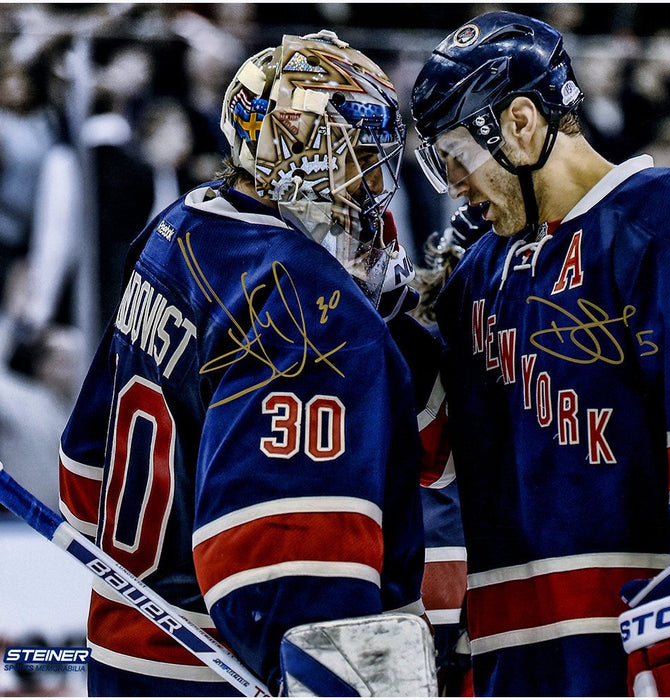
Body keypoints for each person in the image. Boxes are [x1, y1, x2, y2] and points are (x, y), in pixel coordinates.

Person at [410, 10, 670, 697]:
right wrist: (399, 331)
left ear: (519, 123)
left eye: (455, 153)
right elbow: (441, 461)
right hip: (519, 659)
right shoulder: (476, 273)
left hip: (652, 649)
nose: (451, 181)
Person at [58, 31, 425, 696]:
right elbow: (285, 575)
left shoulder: (179, 227)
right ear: (292, 151)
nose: (372, 184)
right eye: (354, 156)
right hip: (215, 672)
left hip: (119, 651)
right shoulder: (310, 304)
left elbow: (84, 477)